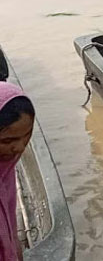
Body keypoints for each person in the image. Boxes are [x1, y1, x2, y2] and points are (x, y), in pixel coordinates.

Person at [0, 83, 35, 261]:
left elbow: (11, 232)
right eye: (8, 140)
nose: (20, 148)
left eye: (27, 136)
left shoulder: (5, 173)